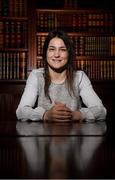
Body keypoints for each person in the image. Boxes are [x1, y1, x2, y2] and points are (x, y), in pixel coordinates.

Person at [16, 30, 107, 122]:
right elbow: (21, 111)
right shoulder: (36, 75)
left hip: (74, 133)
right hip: (43, 133)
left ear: (69, 54)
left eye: (62, 50)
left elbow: (101, 111)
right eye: (52, 49)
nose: (56, 55)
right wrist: (45, 115)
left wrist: (76, 115)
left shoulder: (80, 77)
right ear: (45, 53)